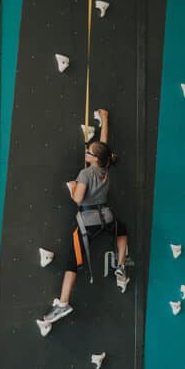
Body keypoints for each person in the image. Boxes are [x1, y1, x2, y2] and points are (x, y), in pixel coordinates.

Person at [44, 109, 129, 322]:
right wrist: (105, 120)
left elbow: (79, 199)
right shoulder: (105, 168)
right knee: (122, 230)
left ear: (95, 159)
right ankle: (120, 265)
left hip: (88, 223)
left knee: (72, 263)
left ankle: (63, 303)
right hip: (107, 218)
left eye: (89, 152)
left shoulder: (85, 173)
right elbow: (104, 146)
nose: (87, 153)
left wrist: (72, 187)